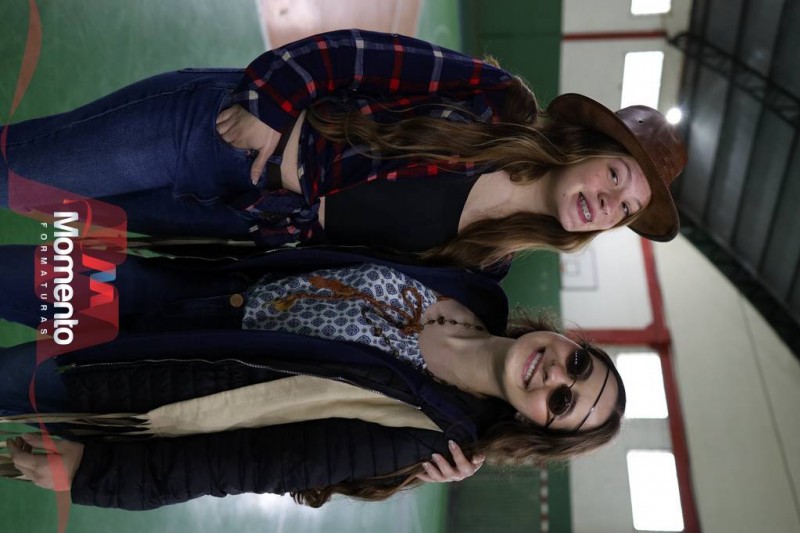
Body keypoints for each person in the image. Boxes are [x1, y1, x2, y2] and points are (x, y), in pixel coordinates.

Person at [1, 29, 687, 271]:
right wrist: (272, 103)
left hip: (219, 219)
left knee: (49, 214)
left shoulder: (487, 261)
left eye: (626, 210)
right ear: (589, 146)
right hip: (220, 135)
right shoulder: (499, 102)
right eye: (617, 175)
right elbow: (362, 54)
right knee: (20, 175)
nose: (610, 204)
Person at [0, 244, 625, 510]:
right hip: (172, 289)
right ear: (569, 340)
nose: (555, 376)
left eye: (561, 404)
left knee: (7, 377)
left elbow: (252, 464)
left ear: (536, 428)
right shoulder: (472, 283)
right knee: (11, 274)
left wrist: (93, 474)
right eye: (577, 363)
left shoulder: (424, 433)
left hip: (142, 377)